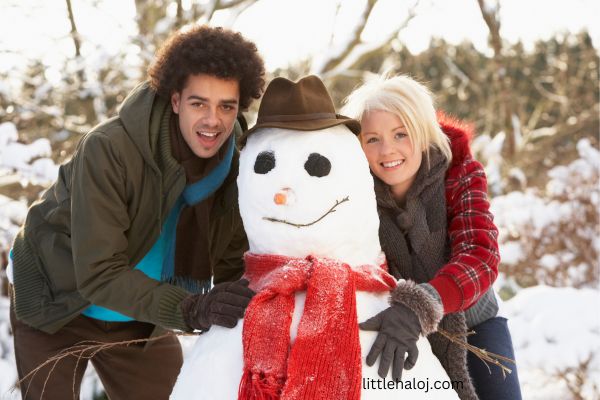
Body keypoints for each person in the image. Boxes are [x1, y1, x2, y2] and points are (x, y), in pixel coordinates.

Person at [8, 25, 264, 399]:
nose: (213, 121)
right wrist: (192, 308)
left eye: (226, 106)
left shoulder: (233, 169)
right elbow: (98, 273)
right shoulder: (109, 150)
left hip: (141, 320)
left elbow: (232, 266)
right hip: (57, 304)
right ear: (175, 99)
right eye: (199, 103)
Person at [343, 74, 522, 400]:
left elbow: (480, 255)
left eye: (401, 134)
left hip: (473, 325)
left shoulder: (459, 172)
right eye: (372, 139)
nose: (388, 150)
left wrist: (421, 305)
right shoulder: (353, 193)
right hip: (393, 327)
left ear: (424, 134)